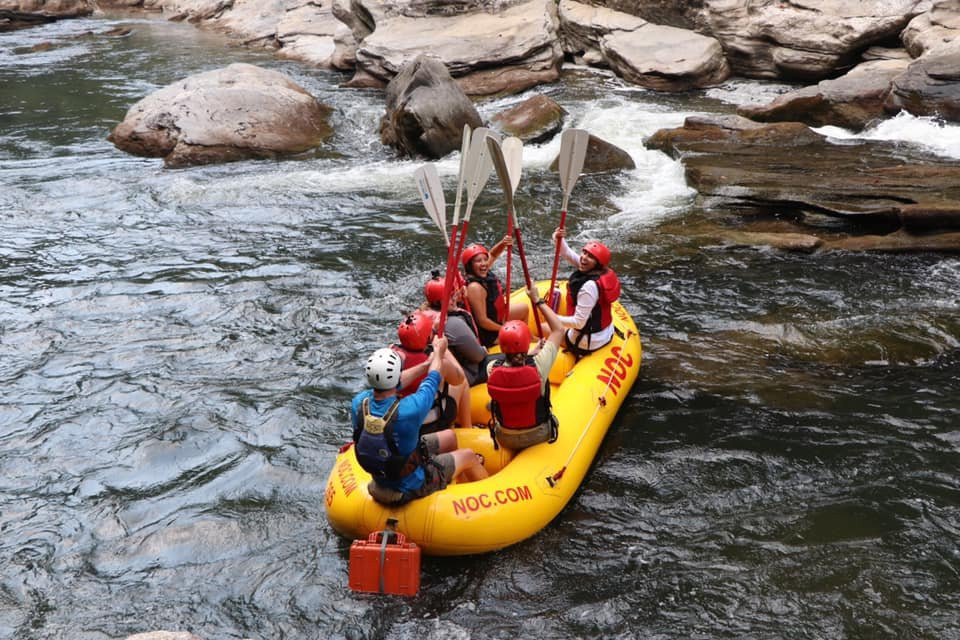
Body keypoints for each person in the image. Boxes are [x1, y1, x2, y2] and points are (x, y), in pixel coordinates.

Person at [352, 336, 488, 506]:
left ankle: (456, 482)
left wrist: (425, 365)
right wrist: (438, 352)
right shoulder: (409, 410)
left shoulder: (359, 402)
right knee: (469, 456)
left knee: (449, 437)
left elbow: (396, 382)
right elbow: (434, 377)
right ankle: (483, 499)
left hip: (384, 474)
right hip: (410, 485)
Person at [485, 285, 566, 451]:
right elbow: (558, 329)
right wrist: (537, 300)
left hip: (505, 437)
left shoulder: (492, 368)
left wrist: (530, 354)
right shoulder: (539, 365)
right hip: (538, 434)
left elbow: (513, 368)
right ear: (527, 342)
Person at [393, 309, 472, 431]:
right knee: (461, 384)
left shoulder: (391, 355)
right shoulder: (438, 362)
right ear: (429, 337)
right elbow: (459, 377)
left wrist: (430, 331)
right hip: (430, 424)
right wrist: (442, 350)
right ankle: (467, 428)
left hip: (402, 419)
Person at [551, 227, 622, 355]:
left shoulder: (589, 287)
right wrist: (558, 239)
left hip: (586, 341)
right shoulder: (599, 271)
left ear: (597, 263)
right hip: (605, 333)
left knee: (546, 327)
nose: (583, 257)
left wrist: (552, 317)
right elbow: (567, 253)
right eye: (584, 252)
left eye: (590, 256)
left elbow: (578, 323)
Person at [421, 272, 496, 387]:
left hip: (440, 373)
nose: (453, 300)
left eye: (453, 295)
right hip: (466, 376)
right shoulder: (453, 324)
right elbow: (478, 356)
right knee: (505, 360)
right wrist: (483, 350)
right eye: (449, 298)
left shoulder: (424, 316)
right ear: (438, 302)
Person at [461, 238, 529, 348]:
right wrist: (504, 328)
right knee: (517, 329)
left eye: (485, 259)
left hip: (498, 318)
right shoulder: (475, 287)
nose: (484, 264)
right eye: (478, 261)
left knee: (523, 308)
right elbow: (482, 321)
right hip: (490, 334)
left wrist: (503, 243)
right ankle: (523, 342)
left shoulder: (483, 270)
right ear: (470, 266)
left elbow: (493, 254)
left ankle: (527, 338)